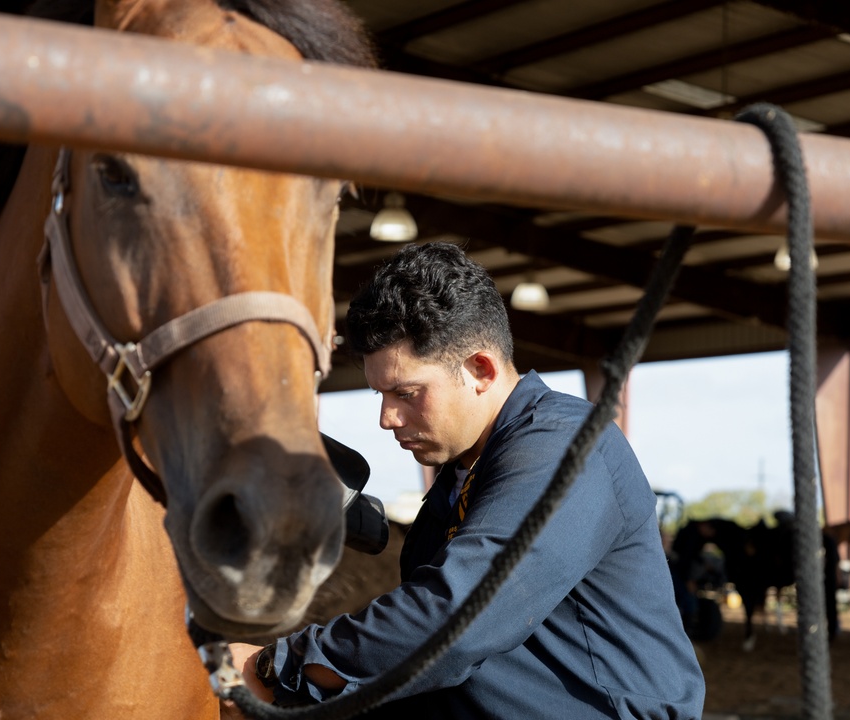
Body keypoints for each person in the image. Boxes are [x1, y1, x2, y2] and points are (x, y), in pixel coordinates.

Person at [231, 241, 705, 718]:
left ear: (481, 369)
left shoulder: (566, 447)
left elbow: (457, 615)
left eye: (406, 393)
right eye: (380, 394)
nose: (386, 418)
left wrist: (278, 668)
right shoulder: (462, 476)